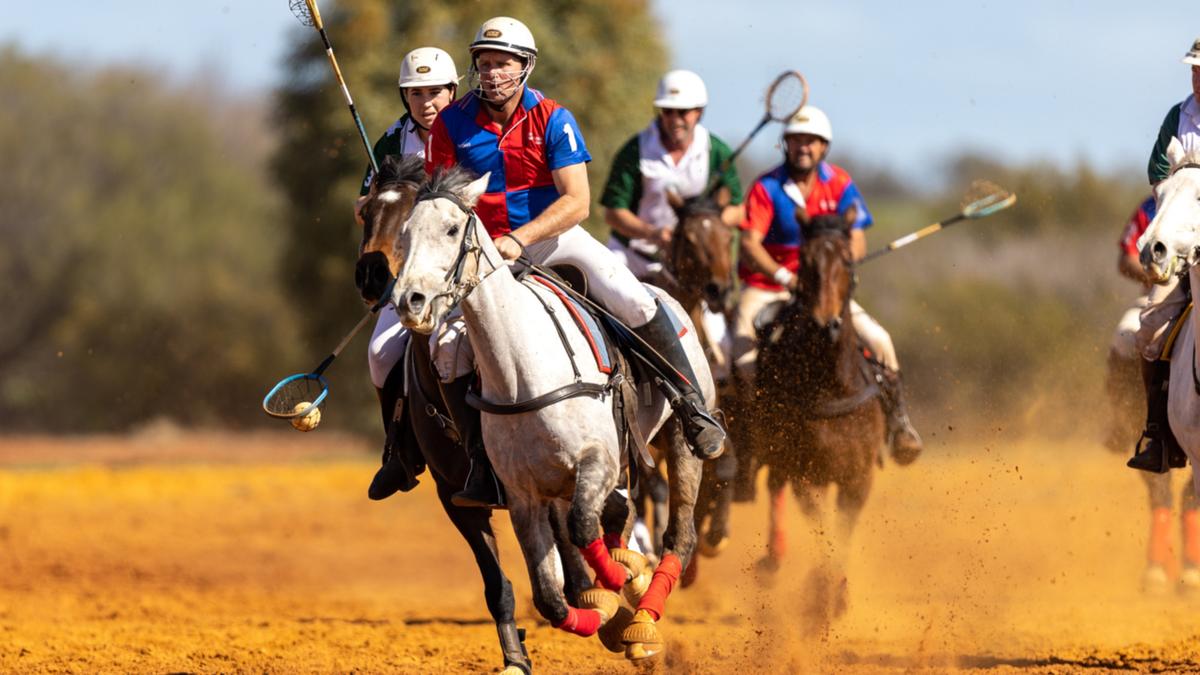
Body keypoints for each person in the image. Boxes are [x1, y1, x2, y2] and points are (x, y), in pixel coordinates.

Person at [425, 17, 727, 508]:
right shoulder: (450, 123)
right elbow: (438, 197)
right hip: (481, 254)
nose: (492, 73)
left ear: (525, 66)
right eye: (484, 63)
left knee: (632, 297)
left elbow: (578, 201)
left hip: (551, 238)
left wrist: (520, 239)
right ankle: (482, 461)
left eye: (503, 63)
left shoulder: (553, 117)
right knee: (446, 347)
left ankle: (692, 407)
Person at [733, 105, 923, 461]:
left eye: (811, 141)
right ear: (785, 145)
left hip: (823, 291)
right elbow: (748, 244)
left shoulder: (839, 183)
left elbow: (856, 236)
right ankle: (750, 440)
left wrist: (842, 268)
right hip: (768, 286)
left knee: (880, 341)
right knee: (741, 357)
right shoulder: (766, 186)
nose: (803, 147)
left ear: (824, 147)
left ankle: (900, 424)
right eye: (796, 140)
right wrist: (783, 275)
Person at [357, 47, 459, 501]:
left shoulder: (472, 128)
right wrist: (367, 210)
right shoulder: (390, 142)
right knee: (380, 353)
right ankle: (399, 450)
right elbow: (366, 205)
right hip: (412, 272)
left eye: (434, 91)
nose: (426, 102)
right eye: (415, 93)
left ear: (452, 91)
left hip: (468, 259)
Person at [1128, 37, 1200, 473]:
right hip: (1187, 244)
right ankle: (1158, 432)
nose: (1198, 76)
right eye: (1194, 69)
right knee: (1150, 328)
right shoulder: (1179, 115)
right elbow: (1157, 169)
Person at [601, 69, 744, 280]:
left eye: (683, 111)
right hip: (631, 257)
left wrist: (703, 226)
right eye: (668, 111)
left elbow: (738, 210)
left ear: (699, 112)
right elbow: (613, 213)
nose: (675, 119)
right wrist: (653, 233)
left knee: (718, 314)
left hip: (690, 263)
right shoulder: (635, 150)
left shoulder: (716, 151)